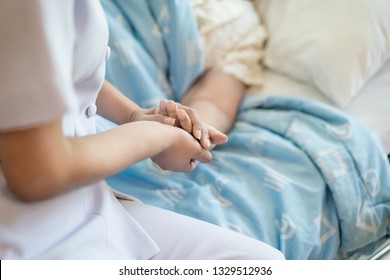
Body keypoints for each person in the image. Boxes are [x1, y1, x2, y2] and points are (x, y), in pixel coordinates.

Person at [0, 0, 285, 260]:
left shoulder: (232, 21)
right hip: (31, 232)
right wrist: (159, 137)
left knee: (265, 263)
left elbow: (58, 67)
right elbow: (38, 172)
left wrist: (136, 115)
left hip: (77, 205)